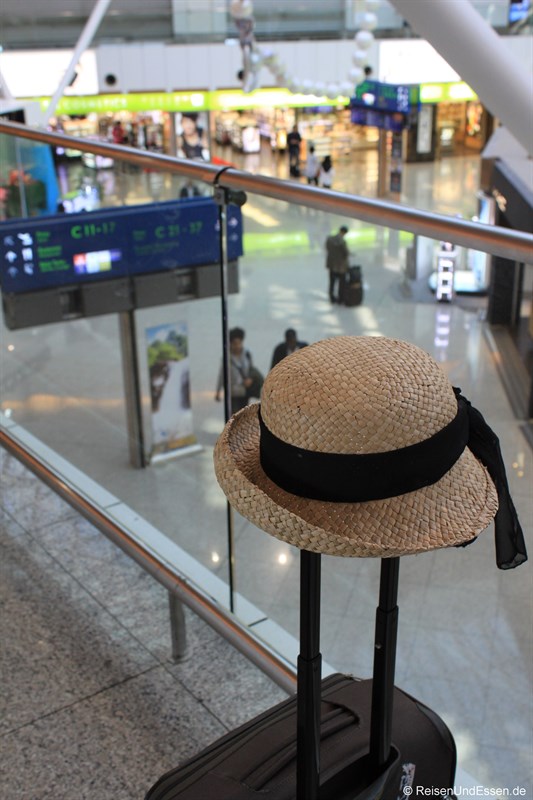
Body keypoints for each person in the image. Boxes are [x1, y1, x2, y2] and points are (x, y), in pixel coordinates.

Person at [215, 327, 262, 415]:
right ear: (230, 344)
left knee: (244, 416)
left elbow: (251, 369)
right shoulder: (227, 357)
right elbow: (222, 375)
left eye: (239, 343)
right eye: (235, 343)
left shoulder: (247, 354)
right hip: (233, 393)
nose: (237, 346)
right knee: (234, 416)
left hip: (245, 392)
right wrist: (218, 391)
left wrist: (250, 379)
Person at [325, 225, 350, 303]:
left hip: (332, 264)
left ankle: (331, 297)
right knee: (341, 283)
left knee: (332, 282)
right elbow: (346, 253)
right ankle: (340, 298)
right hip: (341, 266)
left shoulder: (330, 239)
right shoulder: (342, 242)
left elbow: (327, 248)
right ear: (345, 233)